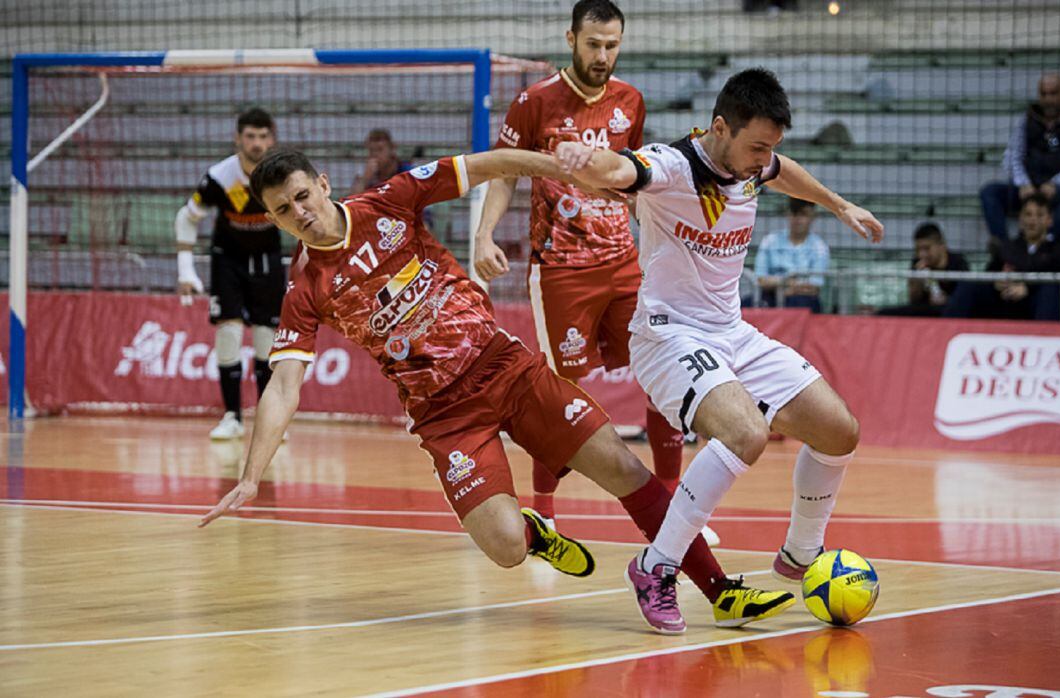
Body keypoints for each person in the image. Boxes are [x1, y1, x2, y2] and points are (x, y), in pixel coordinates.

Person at [198, 146, 794, 634]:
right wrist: (252, 475)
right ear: (274, 221)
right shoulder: (306, 289)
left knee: (624, 471)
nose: (299, 212)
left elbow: (486, 165)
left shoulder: (389, 201)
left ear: (323, 185)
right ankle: (535, 532)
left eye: (303, 196)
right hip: (443, 415)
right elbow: (282, 386)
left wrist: (560, 168)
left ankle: (719, 591)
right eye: (282, 210)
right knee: (507, 547)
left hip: (506, 367)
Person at [553, 68, 884, 633]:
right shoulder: (674, 165)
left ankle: (802, 554)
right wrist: (590, 162)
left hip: (732, 333)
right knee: (745, 433)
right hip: (667, 335)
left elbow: (786, 174)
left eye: (771, 148)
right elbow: (626, 168)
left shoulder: (752, 166)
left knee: (838, 429)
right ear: (720, 128)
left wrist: (838, 205)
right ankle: (654, 568)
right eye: (757, 146)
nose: (764, 159)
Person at [473, 0, 710, 543]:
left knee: (663, 377)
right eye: (593, 44)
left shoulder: (630, 101)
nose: (603, 55)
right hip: (562, 272)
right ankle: (545, 515)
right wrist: (484, 235)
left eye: (612, 45)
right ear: (571, 39)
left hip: (625, 266)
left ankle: (675, 515)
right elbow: (503, 173)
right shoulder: (534, 103)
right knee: (558, 392)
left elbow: (634, 180)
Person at [176, 108, 285, 440]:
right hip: (229, 259)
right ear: (238, 138)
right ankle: (232, 417)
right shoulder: (220, 176)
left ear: (273, 139)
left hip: (267, 258)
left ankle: (270, 422)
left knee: (268, 340)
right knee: (229, 334)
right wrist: (185, 269)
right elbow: (186, 216)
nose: (256, 143)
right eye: (250, 136)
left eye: (263, 136)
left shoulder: (283, 176)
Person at [979, 73, 1060, 246]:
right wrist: (1023, 183)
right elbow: (1012, 155)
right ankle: (1005, 248)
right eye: (1044, 94)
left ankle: (1046, 244)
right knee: (990, 193)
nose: (1048, 99)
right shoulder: (1028, 119)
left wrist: (1056, 183)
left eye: (1054, 93)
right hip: (1029, 188)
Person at [946, 193, 1060, 321]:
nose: (1033, 220)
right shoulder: (1007, 248)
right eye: (1028, 214)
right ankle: (947, 332)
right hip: (1004, 305)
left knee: (1050, 290)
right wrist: (996, 283)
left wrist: (1027, 288)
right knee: (970, 284)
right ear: (1020, 218)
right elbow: (989, 274)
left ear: (1049, 220)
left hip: (1036, 308)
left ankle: (1047, 338)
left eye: (1039, 215)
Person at [753, 197, 830, 311]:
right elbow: (761, 280)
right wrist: (787, 284)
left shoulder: (819, 246)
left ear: (813, 217)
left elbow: (814, 286)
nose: (798, 219)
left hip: (802, 300)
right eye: (794, 213)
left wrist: (784, 287)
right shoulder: (770, 241)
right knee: (747, 303)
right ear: (788, 215)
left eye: (803, 214)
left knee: (801, 303)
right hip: (770, 296)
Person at [876, 222, 969, 317]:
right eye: (918, 249)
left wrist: (947, 300)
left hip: (952, 312)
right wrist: (917, 281)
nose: (921, 254)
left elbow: (965, 298)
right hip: (925, 311)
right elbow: (913, 300)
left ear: (941, 245)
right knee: (884, 313)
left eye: (926, 248)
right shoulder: (917, 262)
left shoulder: (958, 262)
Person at [350, 129, 412, 195]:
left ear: (392, 149)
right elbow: (352, 200)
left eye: (380, 149)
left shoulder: (407, 172)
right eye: (371, 150)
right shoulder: (367, 174)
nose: (375, 154)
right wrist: (365, 179)